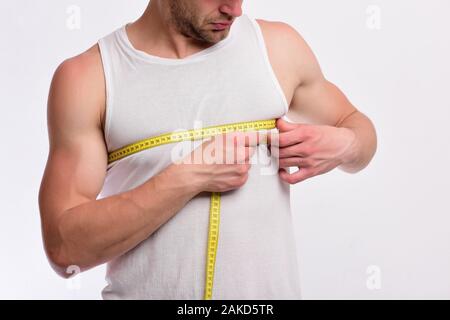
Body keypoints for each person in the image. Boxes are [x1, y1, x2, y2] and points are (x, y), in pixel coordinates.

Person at [38, 0, 377, 299]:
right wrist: (188, 177)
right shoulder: (90, 77)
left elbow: (357, 127)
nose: (236, 8)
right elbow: (65, 248)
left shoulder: (277, 48)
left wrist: (345, 145)